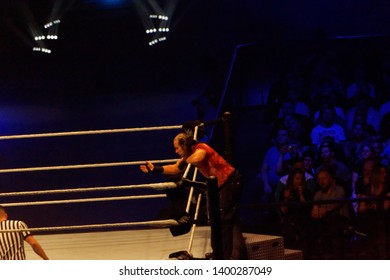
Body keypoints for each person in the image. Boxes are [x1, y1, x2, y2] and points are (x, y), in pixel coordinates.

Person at [140, 132, 247, 260]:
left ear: (184, 145)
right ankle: (221, 253)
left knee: (223, 218)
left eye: (177, 148)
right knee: (219, 219)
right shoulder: (190, 153)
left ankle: (224, 257)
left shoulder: (201, 148)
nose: (176, 151)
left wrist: (186, 159)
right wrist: (155, 169)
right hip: (220, 186)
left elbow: (198, 158)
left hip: (231, 182)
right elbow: (176, 169)